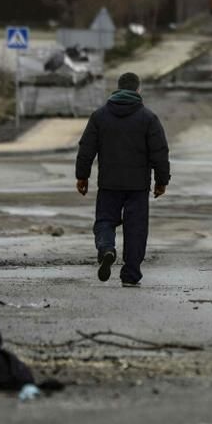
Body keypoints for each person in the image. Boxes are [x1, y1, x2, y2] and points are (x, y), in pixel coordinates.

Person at [75, 71, 171, 288]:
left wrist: (82, 176)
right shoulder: (148, 118)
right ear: (138, 90)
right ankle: (131, 274)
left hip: (109, 183)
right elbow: (160, 152)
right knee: (136, 228)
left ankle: (107, 248)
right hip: (138, 186)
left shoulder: (99, 116)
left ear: (118, 89)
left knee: (104, 221)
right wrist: (162, 181)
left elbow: (86, 149)